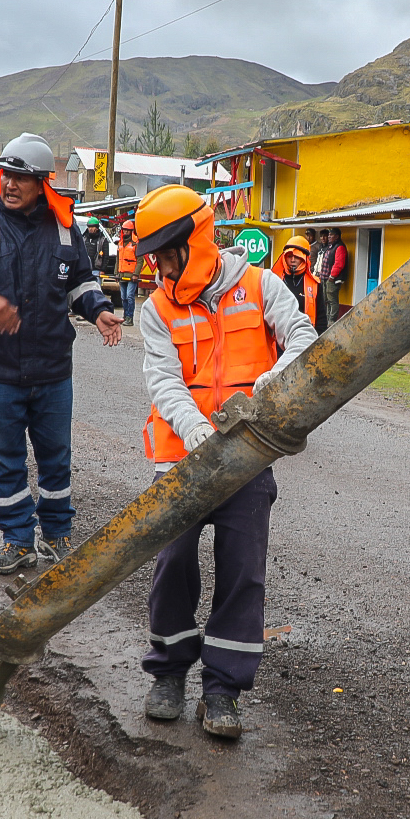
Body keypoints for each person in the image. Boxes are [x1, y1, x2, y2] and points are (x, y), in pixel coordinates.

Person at [131, 186, 316, 738]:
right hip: (181, 461)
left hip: (251, 458)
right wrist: (197, 434)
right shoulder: (156, 307)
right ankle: (168, 674)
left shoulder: (261, 285)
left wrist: (273, 382)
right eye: (155, 255)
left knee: (242, 574)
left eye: (168, 251)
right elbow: (163, 379)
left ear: (197, 239)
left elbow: (303, 336)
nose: (162, 265)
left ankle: (223, 691)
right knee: (172, 567)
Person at [0, 133, 120, 572]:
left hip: (52, 369)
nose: (10, 184)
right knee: (7, 459)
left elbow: (81, 282)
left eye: (21, 177)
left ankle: (57, 536)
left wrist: (99, 309)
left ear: (42, 183)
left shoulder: (65, 229)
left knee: (56, 457)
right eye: (5, 175)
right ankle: (18, 541)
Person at [270, 234, 328, 332]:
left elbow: (321, 318)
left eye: (296, 257)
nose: (292, 260)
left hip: (305, 338)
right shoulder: (274, 280)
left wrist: (317, 342)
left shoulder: (315, 284)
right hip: (278, 339)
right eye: (289, 256)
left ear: (304, 258)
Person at [115, 217, 142, 325]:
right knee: (123, 297)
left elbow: (140, 260)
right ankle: (125, 316)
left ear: (131, 231)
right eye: (124, 230)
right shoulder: (120, 243)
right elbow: (118, 259)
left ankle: (130, 318)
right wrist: (116, 273)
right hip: (122, 274)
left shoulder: (136, 243)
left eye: (127, 230)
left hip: (131, 275)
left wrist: (136, 274)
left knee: (129, 296)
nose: (125, 232)